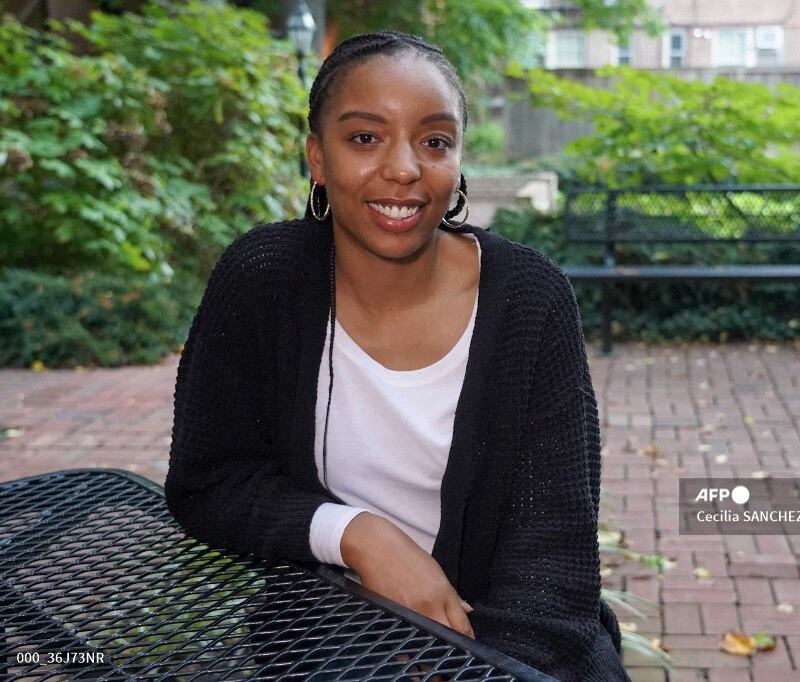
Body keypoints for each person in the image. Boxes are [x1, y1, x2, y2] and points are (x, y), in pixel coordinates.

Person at [165, 31, 627, 680]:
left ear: (458, 160)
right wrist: (358, 534)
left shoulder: (529, 301)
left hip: (513, 654)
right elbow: (208, 483)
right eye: (364, 138)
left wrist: (464, 668)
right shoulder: (262, 281)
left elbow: (551, 568)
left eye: (434, 141)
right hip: (329, 640)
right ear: (316, 158)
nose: (405, 169)